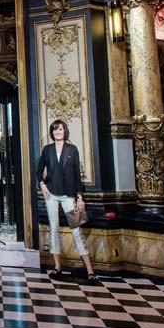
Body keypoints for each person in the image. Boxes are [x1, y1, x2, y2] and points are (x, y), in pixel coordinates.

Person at [36, 119, 97, 282]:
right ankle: (57, 267)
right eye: (55, 130)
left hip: (69, 195)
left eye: (60, 129)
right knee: (54, 229)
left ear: (65, 131)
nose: (57, 132)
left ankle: (90, 270)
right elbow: (38, 170)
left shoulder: (72, 149)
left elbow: (77, 174)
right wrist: (42, 184)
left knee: (76, 230)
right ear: (52, 132)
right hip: (51, 196)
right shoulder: (47, 150)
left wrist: (79, 197)